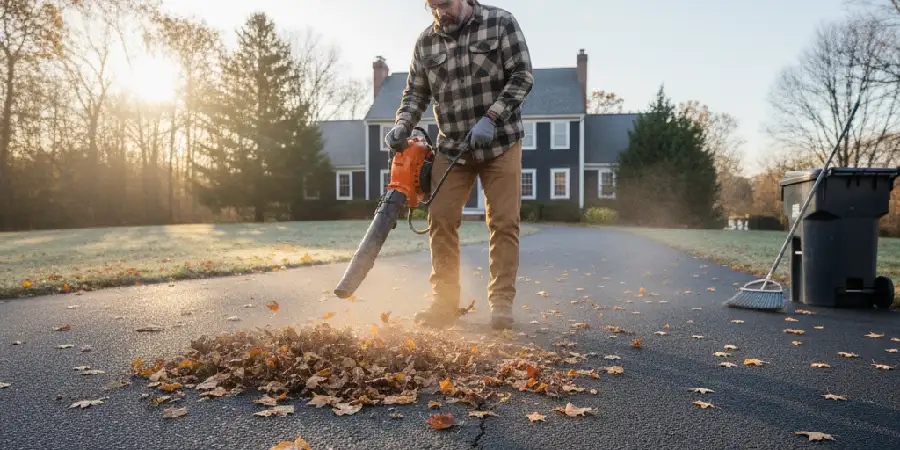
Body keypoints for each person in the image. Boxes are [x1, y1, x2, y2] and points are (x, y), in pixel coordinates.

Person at [384, 0, 534, 330]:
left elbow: (522, 76)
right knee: (440, 219)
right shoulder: (426, 41)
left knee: (504, 222)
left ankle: (501, 303)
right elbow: (415, 93)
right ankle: (444, 302)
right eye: (434, 7)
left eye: (446, 5)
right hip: (452, 148)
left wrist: (492, 117)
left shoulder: (500, 22)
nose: (441, 13)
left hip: (501, 142)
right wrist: (402, 125)